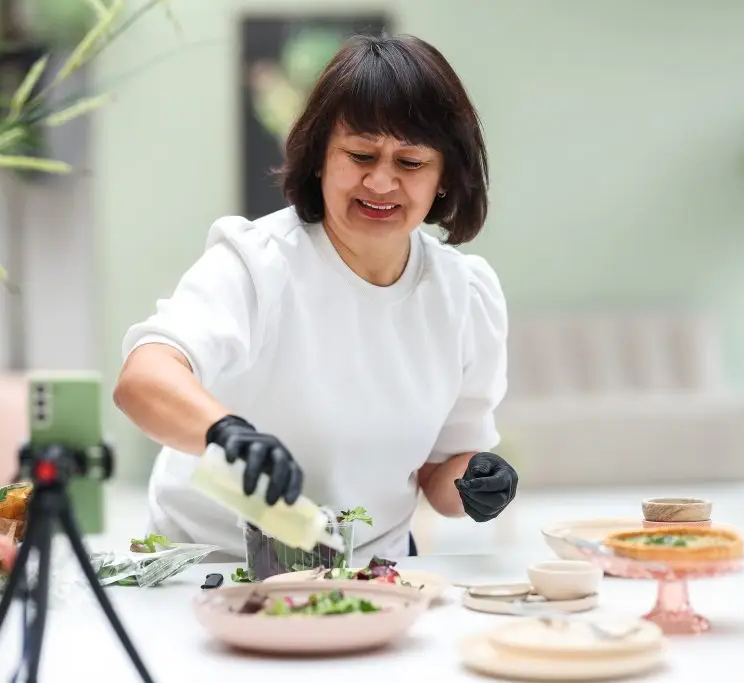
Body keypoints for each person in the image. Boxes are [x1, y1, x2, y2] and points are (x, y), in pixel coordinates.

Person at [113, 33, 518, 561]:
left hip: (371, 572)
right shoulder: (256, 263)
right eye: (361, 154)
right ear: (320, 158)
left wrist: (477, 481)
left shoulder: (465, 295)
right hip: (215, 566)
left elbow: (441, 473)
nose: (381, 181)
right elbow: (143, 379)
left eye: (411, 162)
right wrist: (224, 432)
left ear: (445, 178)